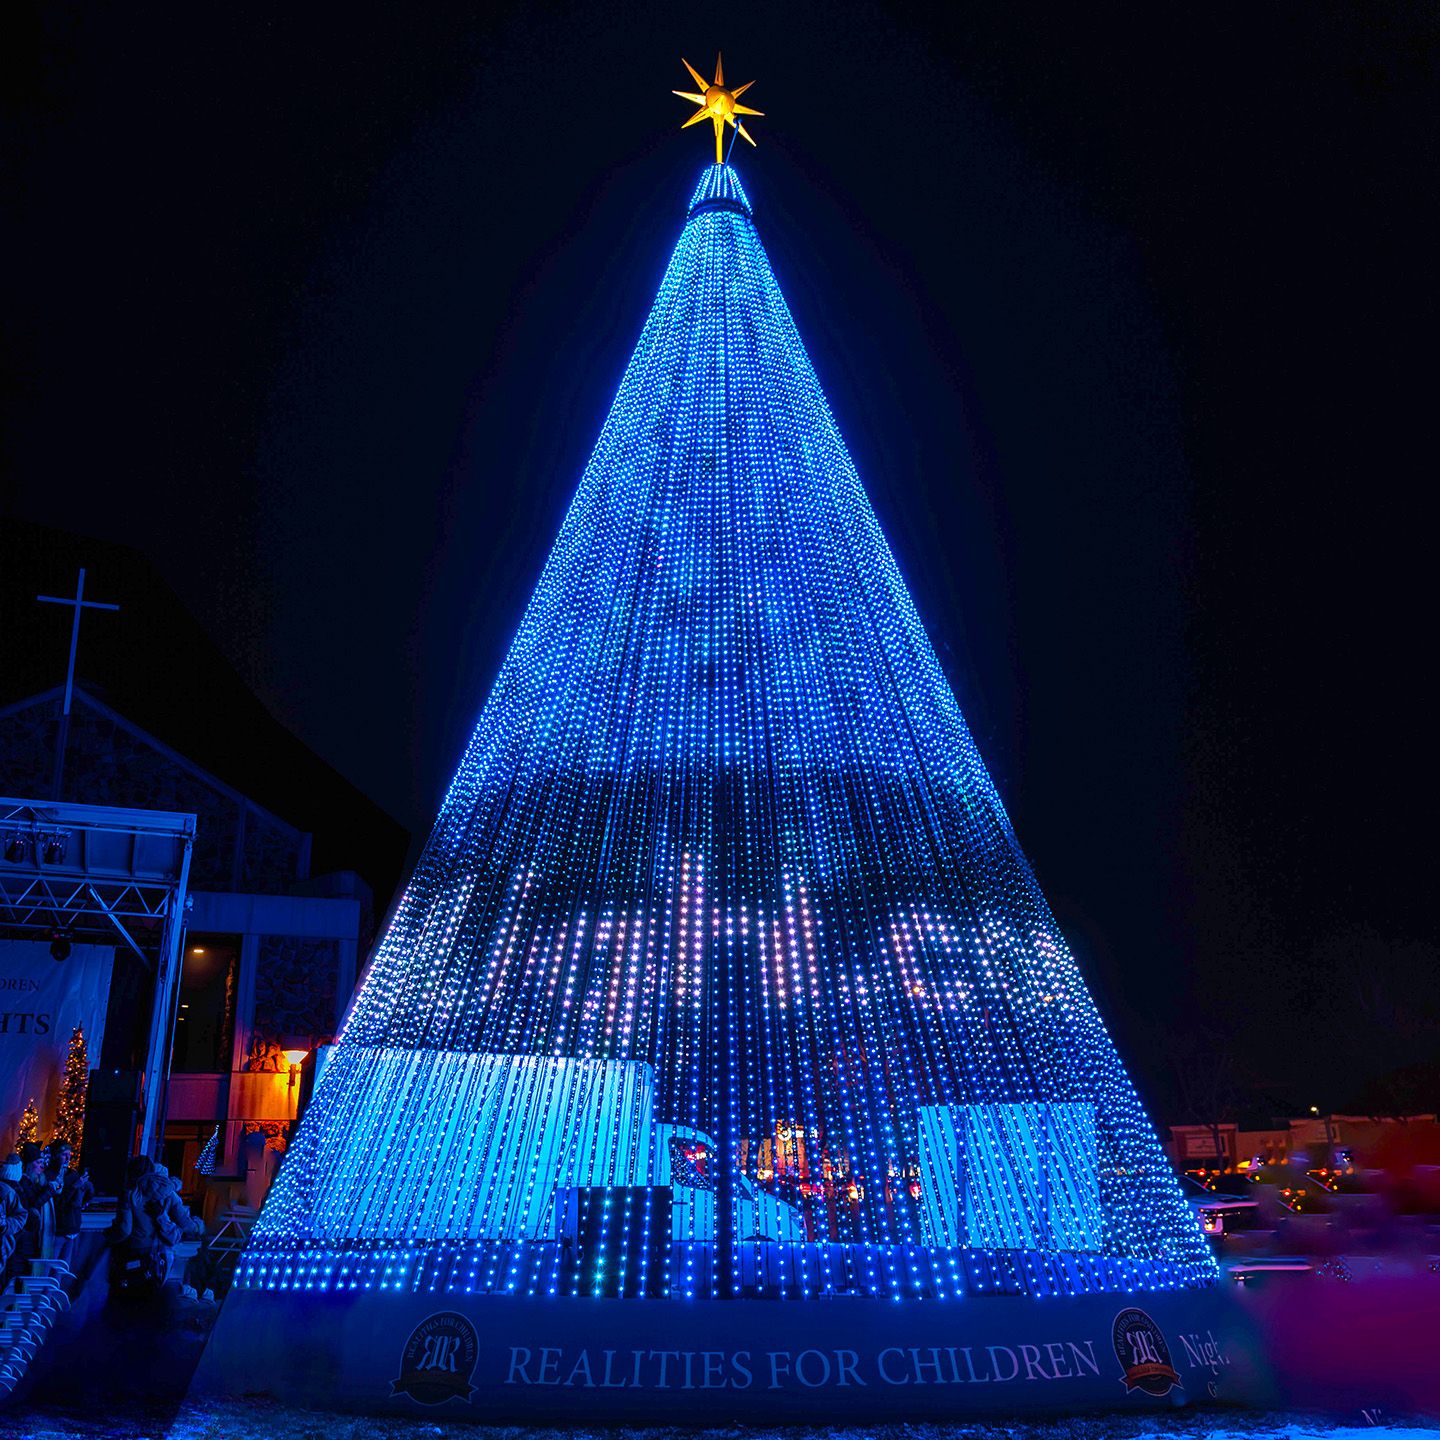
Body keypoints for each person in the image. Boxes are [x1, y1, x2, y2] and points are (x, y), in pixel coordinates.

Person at [109, 1155, 203, 1296]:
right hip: (161, 1250)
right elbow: (185, 1223)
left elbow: (124, 1229)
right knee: (152, 1290)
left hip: (133, 1247)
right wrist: (197, 1226)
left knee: (126, 1289)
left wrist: (109, 1236)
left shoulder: (131, 1194)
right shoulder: (169, 1195)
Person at [47, 1143, 94, 1263]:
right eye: (64, 1155)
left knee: (63, 1269)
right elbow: (58, 1204)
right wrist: (74, 1187)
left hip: (73, 1228)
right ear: (55, 1156)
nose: (68, 1158)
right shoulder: (49, 1176)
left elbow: (86, 1195)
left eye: (69, 1154)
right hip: (57, 1230)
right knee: (49, 1266)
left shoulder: (73, 1174)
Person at [15, 1141, 57, 1264]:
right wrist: (50, 1191)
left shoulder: (38, 1182)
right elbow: (32, 1204)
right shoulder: (22, 1182)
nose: (42, 1166)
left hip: (35, 1234)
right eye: (38, 1163)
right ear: (29, 1165)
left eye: (42, 1163)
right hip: (25, 1236)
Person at [0, 1153, 27, 1284]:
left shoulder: (9, 1192)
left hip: (6, 1245)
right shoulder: (9, 1191)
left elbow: (21, 1216)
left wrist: (5, 1226)